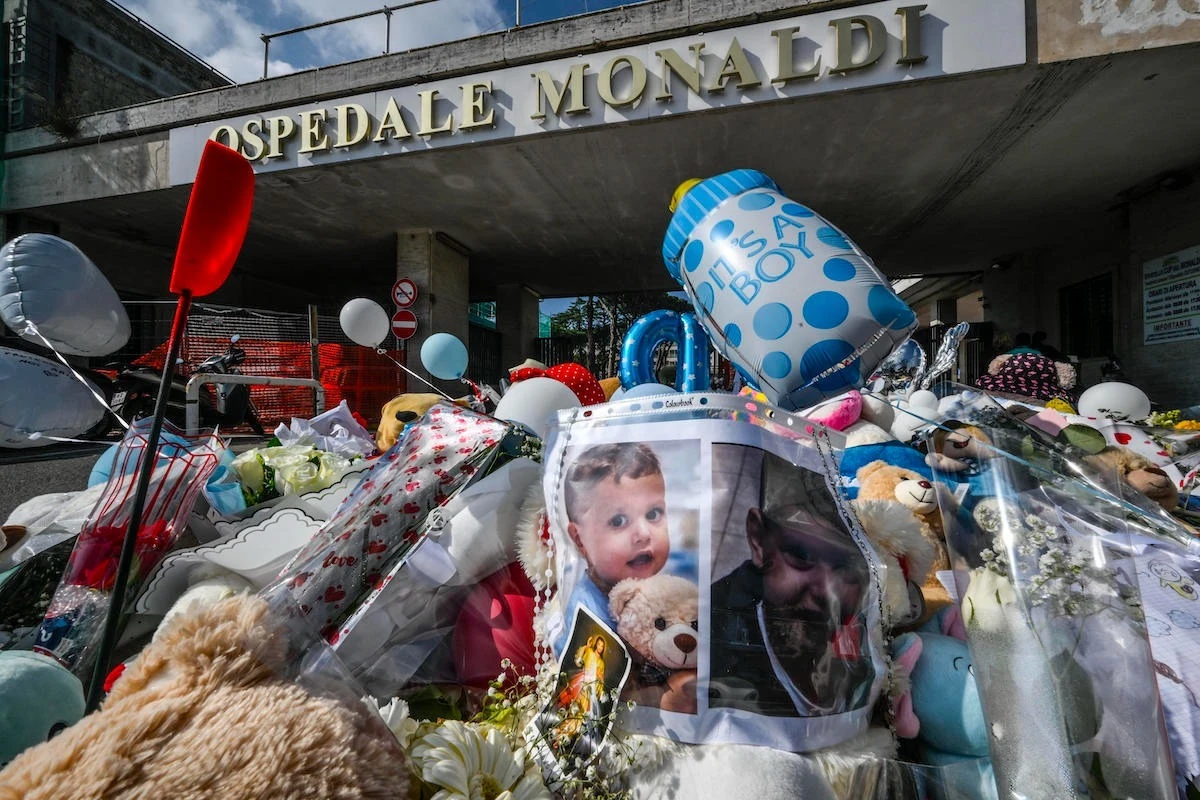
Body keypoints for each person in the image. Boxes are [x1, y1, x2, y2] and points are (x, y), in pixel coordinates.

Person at [709, 451, 874, 717]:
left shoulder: (865, 647)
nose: (825, 590)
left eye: (846, 567)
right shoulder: (708, 635)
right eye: (800, 555)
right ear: (758, 540)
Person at [557, 442, 674, 653]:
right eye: (618, 521)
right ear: (580, 540)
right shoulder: (590, 616)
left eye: (653, 514)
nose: (643, 534)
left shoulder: (659, 589)